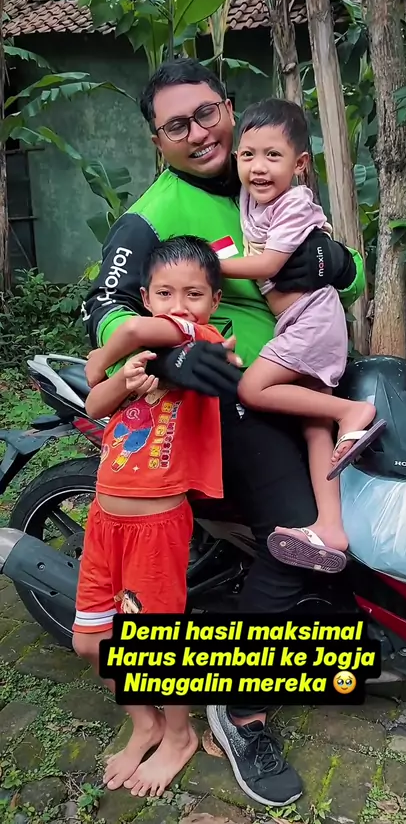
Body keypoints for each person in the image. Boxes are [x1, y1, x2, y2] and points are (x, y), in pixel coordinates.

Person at [82, 58, 367, 808]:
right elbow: (105, 308)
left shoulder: (267, 178)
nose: (198, 132)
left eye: (207, 113)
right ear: (158, 142)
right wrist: (171, 351)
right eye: (176, 125)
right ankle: (240, 708)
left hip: (299, 370)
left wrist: (341, 264)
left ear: (230, 109)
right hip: (221, 394)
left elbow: (346, 275)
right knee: (298, 536)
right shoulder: (151, 214)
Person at [74, 236, 233, 799]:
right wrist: (122, 379)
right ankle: (145, 722)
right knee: (91, 642)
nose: (178, 305)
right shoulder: (143, 357)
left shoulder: (203, 345)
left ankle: (180, 734)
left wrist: (102, 355)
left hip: (157, 525)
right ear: (145, 295)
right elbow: (93, 405)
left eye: (194, 294)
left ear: (214, 302)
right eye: (164, 293)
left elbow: (151, 334)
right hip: (104, 519)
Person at [220, 98, 385, 574]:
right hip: (298, 321)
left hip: (312, 318)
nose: (258, 167)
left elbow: (269, 265)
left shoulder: (293, 203)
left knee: (252, 388)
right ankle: (330, 528)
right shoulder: (250, 197)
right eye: (248, 155)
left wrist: (208, 266)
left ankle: (352, 412)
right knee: (315, 429)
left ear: (300, 164)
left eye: (273, 156)